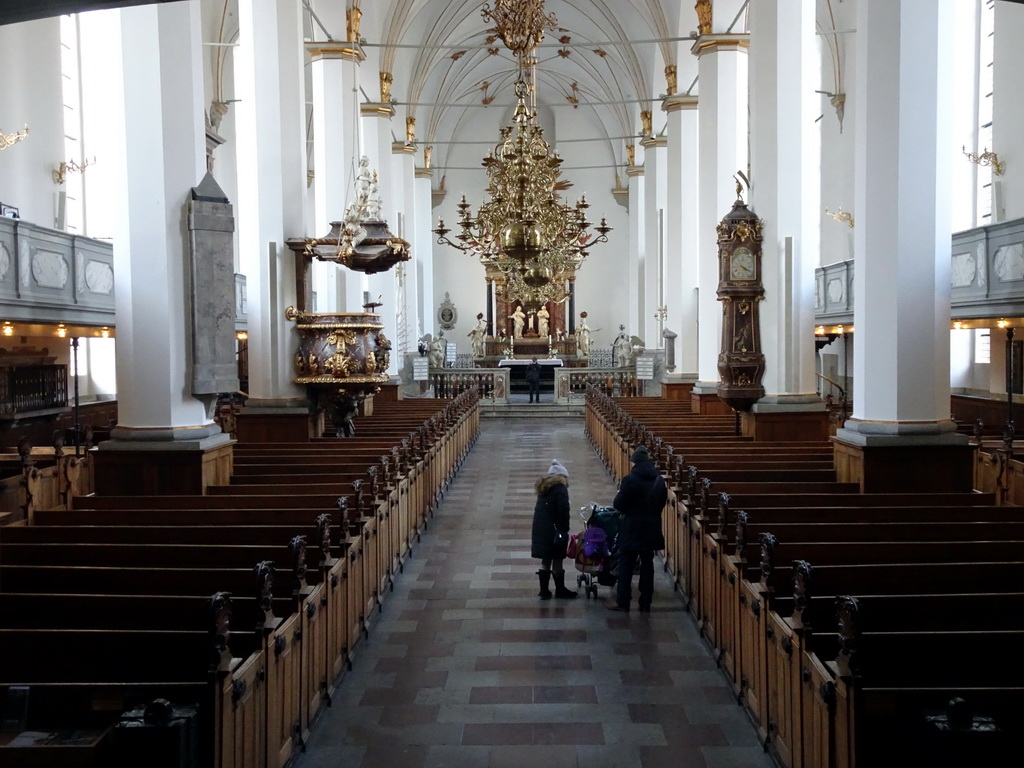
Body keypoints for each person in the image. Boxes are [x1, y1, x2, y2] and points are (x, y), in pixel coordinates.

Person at [606, 445, 666, 612]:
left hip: (631, 527)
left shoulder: (630, 480)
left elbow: (618, 504)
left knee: (626, 563)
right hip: (652, 526)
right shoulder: (659, 480)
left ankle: (623, 601)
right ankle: (646, 601)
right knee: (647, 563)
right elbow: (661, 502)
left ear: (635, 463)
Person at [531, 459, 577, 600]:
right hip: (555, 530)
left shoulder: (543, 488)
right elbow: (563, 511)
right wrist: (564, 529)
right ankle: (560, 590)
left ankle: (544, 591)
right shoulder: (560, 489)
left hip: (541, 530)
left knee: (545, 560)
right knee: (557, 560)